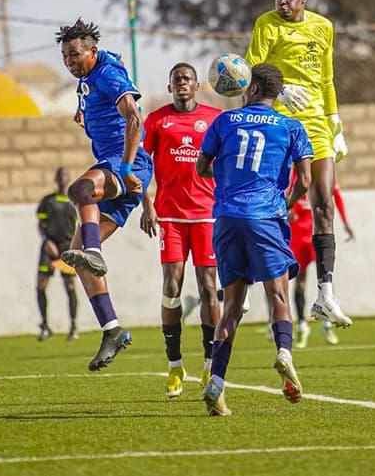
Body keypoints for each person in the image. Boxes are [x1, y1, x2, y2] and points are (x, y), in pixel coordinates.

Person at [195, 63, 313, 417]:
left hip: (227, 218)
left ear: (249, 88)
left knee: (231, 307)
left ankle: (216, 382)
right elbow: (305, 180)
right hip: (266, 217)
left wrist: (230, 175)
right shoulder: (291, 126)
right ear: (276, 93)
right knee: (278, 296)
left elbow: (201, 168)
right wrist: (286, 205)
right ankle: (284, 353)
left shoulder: (224, 122)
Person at [245, 0, 351, 329]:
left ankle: (325, 294)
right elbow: (250, 68)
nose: (281, 2)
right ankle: (244, 281)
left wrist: (335, 121)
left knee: (323, 201)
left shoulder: (323, 27)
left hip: (317, 124)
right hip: (279, 122)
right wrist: (280, 89)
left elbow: (326, 78)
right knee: (263, 197)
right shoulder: (267, 25)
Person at [55, 19, 154, 372]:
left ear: (92, 52)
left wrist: (127, 168)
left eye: (75, 55)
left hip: (125, 163)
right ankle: (112, 329)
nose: (70, 61)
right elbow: (107, 75)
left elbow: (135, 120)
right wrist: (86, 111)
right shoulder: (93, 74)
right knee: (77, 256)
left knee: (80, 189)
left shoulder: (108, 75)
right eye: (65, 56)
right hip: (113, 164)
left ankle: (95, 251)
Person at [139, 62, 222, 397]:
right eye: (177, 80)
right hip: (170, 216)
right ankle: (174, 366)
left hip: (207, 216)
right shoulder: (157, 120)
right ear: (170, 85)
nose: (182, 83)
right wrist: (147, 206)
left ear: (197, 85)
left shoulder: (215, 118)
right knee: (171, 286)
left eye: (187, 79)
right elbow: (140, 165)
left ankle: (209, 362)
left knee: (207, 287)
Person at [289, 173, 354, 348]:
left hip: (318, 234)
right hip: (298, 236)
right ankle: (302, 326)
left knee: (326, 278)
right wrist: (288, 213)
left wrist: (345, 222)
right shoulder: (292, 172)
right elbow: (285, 197)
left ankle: (327, 324)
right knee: (300, 281)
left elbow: (336, 196)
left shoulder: (323, 170)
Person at [35, 167, 79, 341]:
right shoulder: (48, 201)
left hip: (67, 248)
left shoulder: (74, 202)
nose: (63, 179)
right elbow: (41, 224)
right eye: (60, 176)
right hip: (49, 247)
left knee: (69, 285)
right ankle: (45, 325)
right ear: (56, 179)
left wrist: (75, 247)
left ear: (70, 178)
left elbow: (79, 226)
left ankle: (73, 326)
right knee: (41, 284)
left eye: (66, 175)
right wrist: (47, 241)